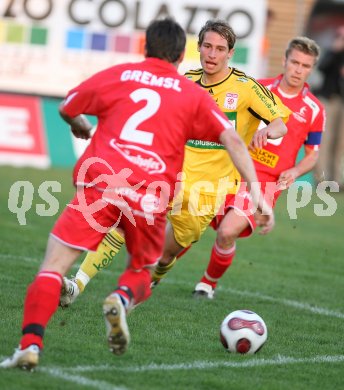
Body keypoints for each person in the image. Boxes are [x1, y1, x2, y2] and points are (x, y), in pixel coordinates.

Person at [0, 17, 274, 371]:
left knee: (52, 267)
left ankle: (30, 344)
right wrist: (258, 194)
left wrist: (80, 124)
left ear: (146, 46)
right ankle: (122, 296)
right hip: (150, 193)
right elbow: (233, 140)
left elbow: (68, 106)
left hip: (102, 181)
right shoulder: (190, 92)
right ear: (181, 56)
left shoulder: (121, 75)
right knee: (145, 268)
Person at [59, 19, 290, 307]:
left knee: (167, 254)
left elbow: (281, 123)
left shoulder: (246, 88)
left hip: (208, 190)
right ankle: (76, 285)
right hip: (170, 175)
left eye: (220, 49)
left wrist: (267, 131)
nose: (212, 54)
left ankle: (151, 280)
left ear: (230, 53)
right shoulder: (186, 81)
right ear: (198, 47)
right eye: (207, 46)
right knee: (123, 221)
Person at [191, 36, 325, 298]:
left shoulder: (314, 109)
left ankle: (207, 284)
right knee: (193, 224)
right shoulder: (257, 88)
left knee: (228, 231)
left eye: (305, 66)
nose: (298, 69)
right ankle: (156, 272)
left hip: (264, 183)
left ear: (312, 69)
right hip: (229, 169)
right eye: (295, 62)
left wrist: (296, 172)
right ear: (284, 61)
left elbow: (313, 155)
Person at [314, 26, 344, 187]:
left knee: (340, 143)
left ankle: (337, 179)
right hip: (329, 99)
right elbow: (322, 67)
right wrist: (335, 49)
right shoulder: (332, 52)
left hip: (342, 101)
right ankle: (322, 179)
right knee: (325, 140)